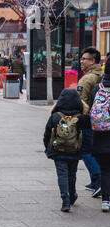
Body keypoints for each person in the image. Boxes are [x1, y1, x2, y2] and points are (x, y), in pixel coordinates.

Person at [43, 89, 91, 212]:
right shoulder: (82, 118)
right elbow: (87, 136)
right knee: (72, 174)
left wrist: (47, 148)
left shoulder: (55, 117)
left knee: (62, 174)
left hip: (58, 151)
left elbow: (47, 134)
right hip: (74, 151)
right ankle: (73, 194)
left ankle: (65, 200)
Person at [77, 47, 103, 196]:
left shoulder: (87, 78)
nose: (81, 61)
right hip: (102, 120)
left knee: (86, 151)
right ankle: (97, 182)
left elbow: (81, 102)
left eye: (84, 59)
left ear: (92, 61)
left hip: (88, 121)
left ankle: (98, 181)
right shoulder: (102, 74)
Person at [89, 58, 110, 212]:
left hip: (101, 137)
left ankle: (105, 201)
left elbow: (90, 111)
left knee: (105, 170)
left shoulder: (98, 88)